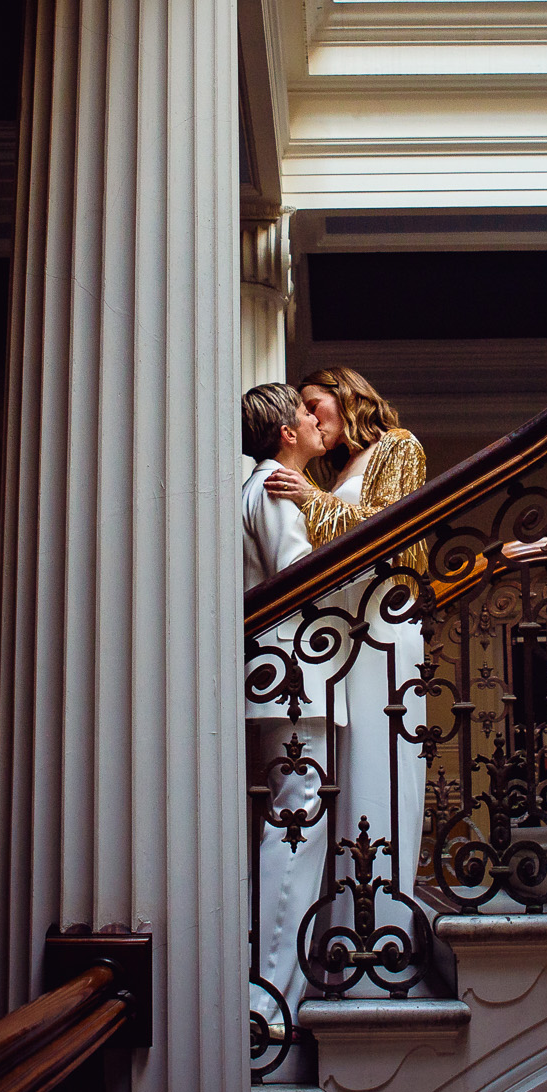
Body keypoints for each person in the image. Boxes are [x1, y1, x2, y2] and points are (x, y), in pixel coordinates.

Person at [262, 366, 429, 992]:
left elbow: (393, 539)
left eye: (314, 401)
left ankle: (385, 943)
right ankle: (341, 945)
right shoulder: (333, 477)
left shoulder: (398, 446)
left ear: (348, 393)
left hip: (386, 632)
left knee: (383, 778)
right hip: (346, 639)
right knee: (350, 786)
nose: (310, 415)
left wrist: (309, 499)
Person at [238, 383, 329, 1038]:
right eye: (302, 409)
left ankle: (273, 988)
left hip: (279, 676)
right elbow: (298, 574)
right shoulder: (273, 484)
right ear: (285, 432)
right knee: (295, 827)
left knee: (292, 823)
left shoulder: (263, 482)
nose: (311, 414)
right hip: (290, 675)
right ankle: (268, 997)